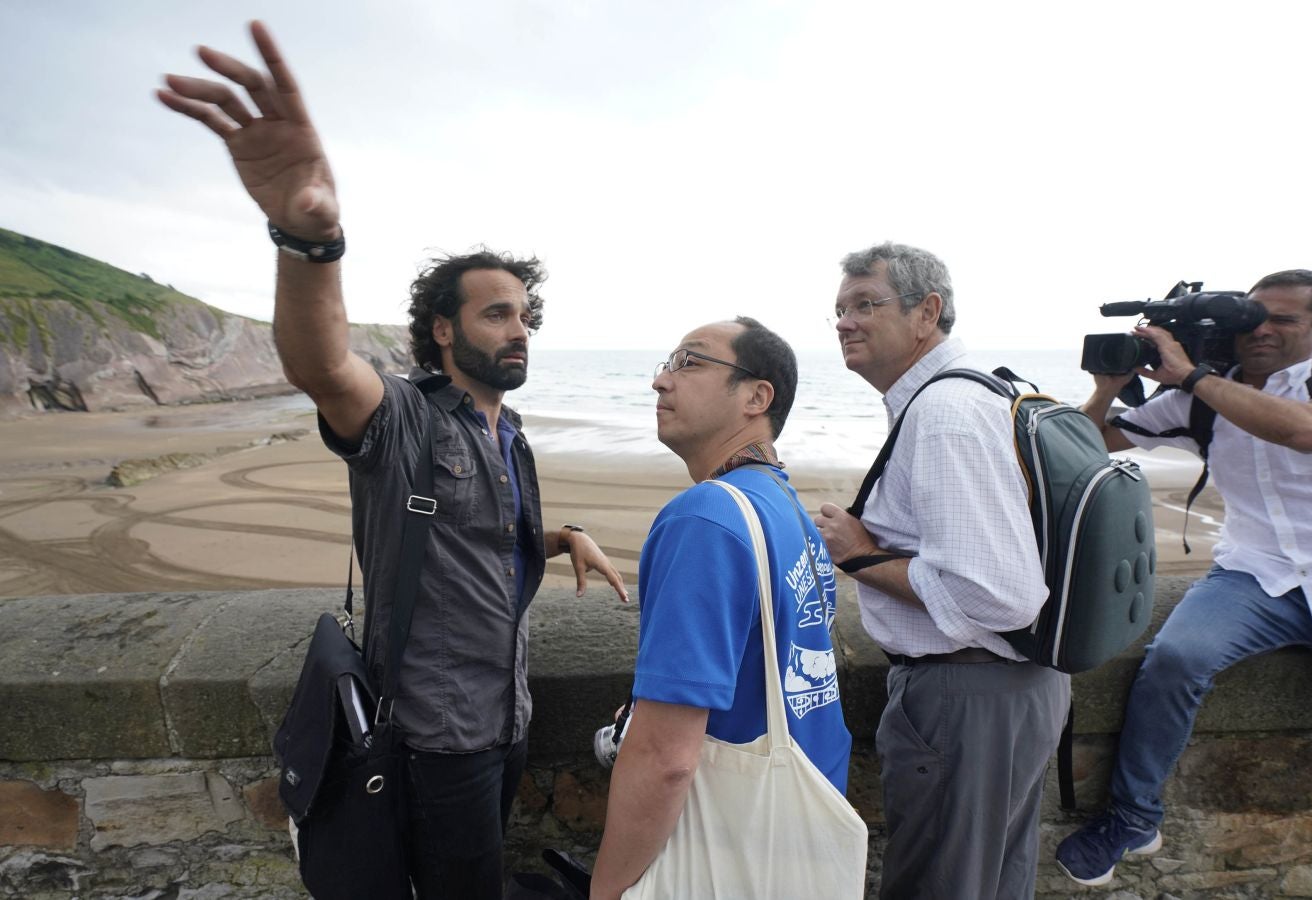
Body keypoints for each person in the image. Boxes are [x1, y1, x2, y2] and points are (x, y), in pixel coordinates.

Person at [156, 22, 628, 900]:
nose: (519, 329)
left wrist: (564, 535)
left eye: (525, 316)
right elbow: (322, 366)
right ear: (443, 329)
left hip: (507, 717)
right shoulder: (406, 415)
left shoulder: (511, 433)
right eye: (496, 314)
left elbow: (480, 537)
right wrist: (309, 241)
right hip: (436, 734)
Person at [1056, 269, 1312, 887]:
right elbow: (1083, 444)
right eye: (1252, 318)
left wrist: (1191, 375)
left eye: (1284, 319)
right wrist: (1107, 386)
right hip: (1256, 576)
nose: (1262, 330)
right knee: (1176, 659)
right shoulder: (1197, 401)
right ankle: (1133, 819)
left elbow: (1310, 430)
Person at [813, 242, 1070, 899]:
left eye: (865, 304)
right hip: (1013, 687)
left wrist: (859, 555)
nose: (844, 322)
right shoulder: (986, 391)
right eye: (838, 309)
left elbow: (997, 594)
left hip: (967, 696)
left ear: (927, 312)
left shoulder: (944, 415)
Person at [589, 317, 851, 900]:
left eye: (690, 362)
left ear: (757, 397)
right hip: (802, 831)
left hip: (729, 847)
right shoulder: (787, 509)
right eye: (667, 363)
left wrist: (606, 889)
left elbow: (666, 758)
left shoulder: (705, 519)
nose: (661, 380)